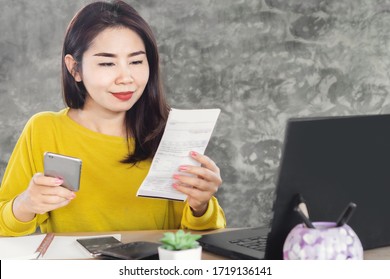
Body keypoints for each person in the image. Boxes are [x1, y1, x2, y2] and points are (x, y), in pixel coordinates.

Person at [0, 0, 225, 236]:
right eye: (107, 63)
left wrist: (201, 205)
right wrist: (26, 203)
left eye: (136, 61)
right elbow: (4, 227)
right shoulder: (44, 129)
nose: (126, 77)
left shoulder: (169, 131)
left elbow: (197, 237)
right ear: (74, 68)